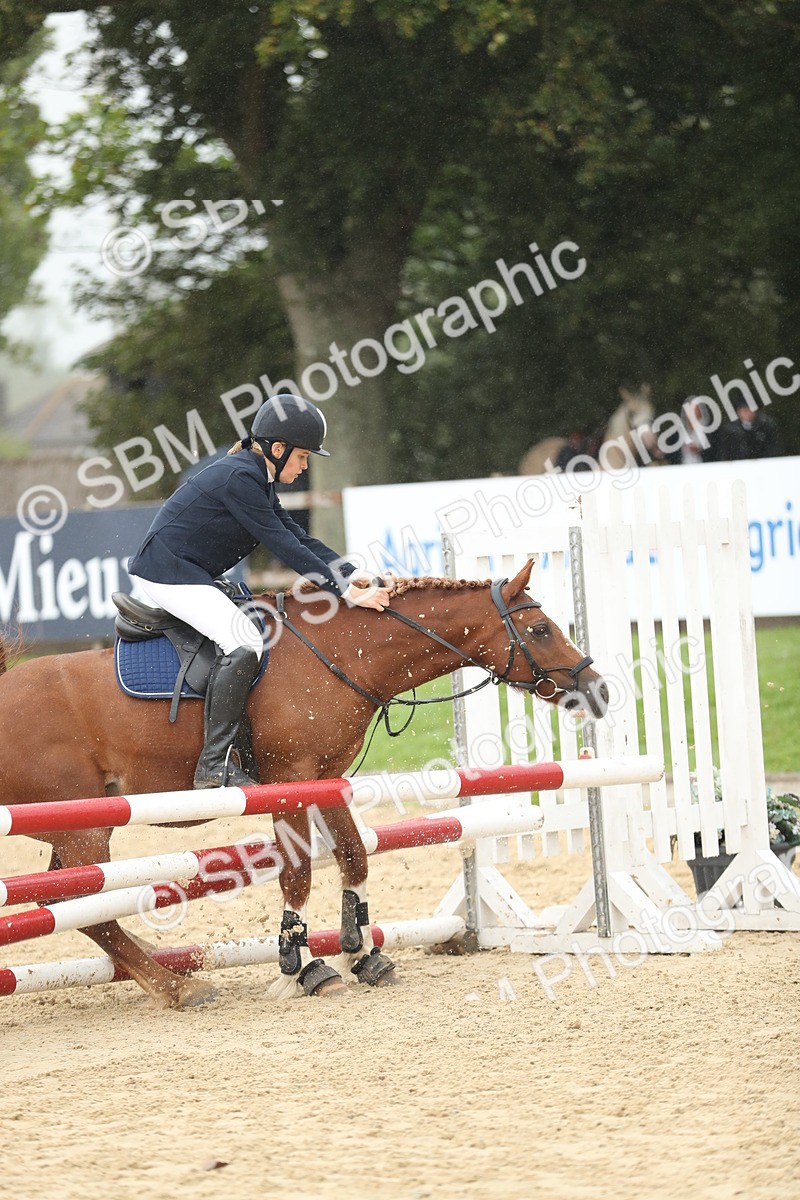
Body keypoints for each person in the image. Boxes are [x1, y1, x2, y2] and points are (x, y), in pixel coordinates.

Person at [127, 394, 390, 789]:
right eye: (303, 457)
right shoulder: (241, 478)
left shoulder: (257, 477)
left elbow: (296, 536)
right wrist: (345, 594)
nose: (305, 467)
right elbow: (282, 547)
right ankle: (213, 767)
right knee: (244, 642)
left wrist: (351, 574)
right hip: (167, 573)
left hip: (188, 570)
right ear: (278, 449)